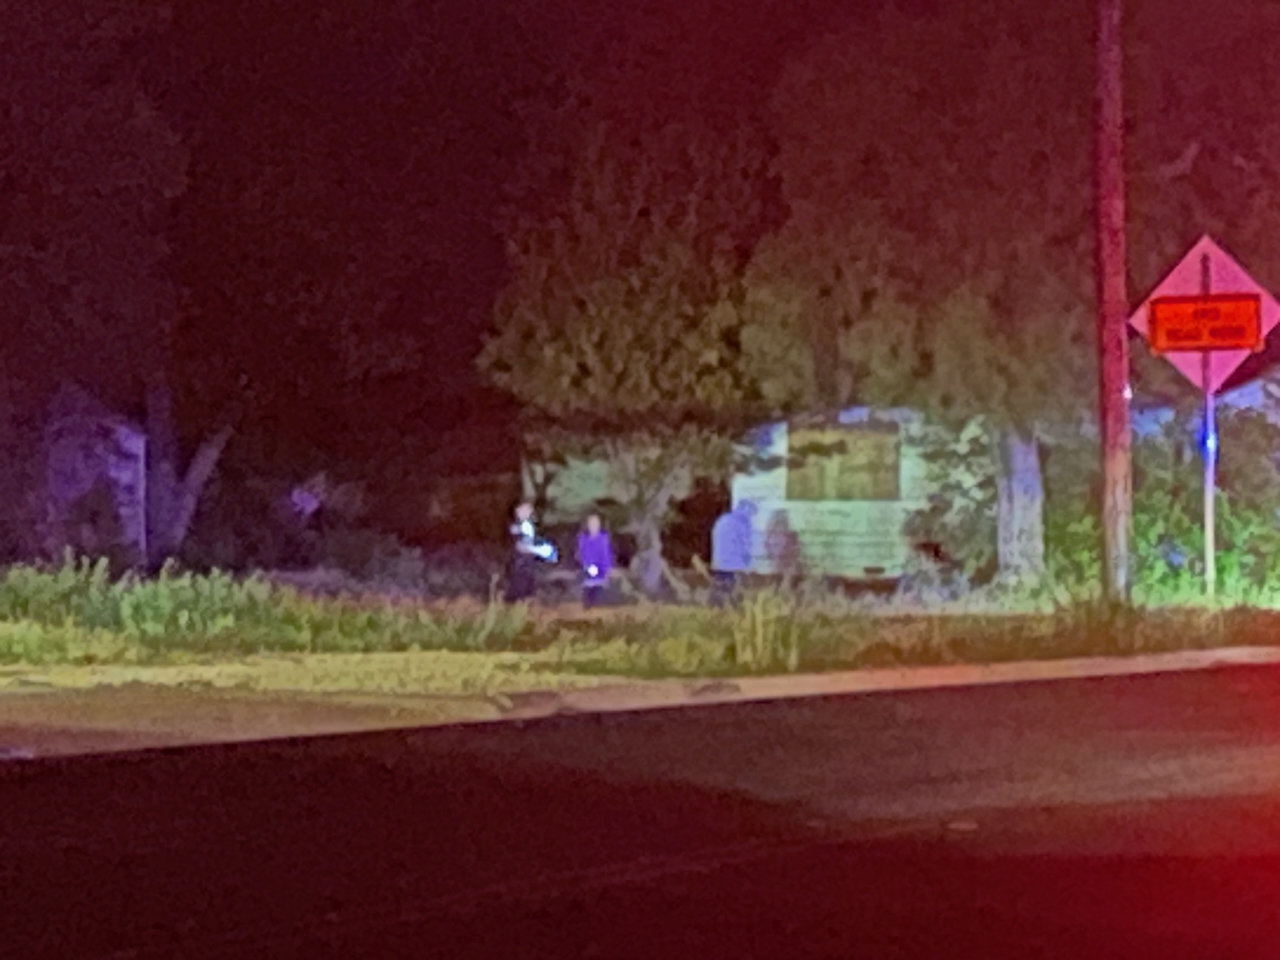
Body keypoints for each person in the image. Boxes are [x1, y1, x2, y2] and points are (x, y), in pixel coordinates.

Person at [506, 501, 556, 602]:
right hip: (520, 558)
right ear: (517, 511)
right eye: (523, 510)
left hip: (529, 557)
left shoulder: (530, 525)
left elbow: (533, 541)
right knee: (519, 578)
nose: (526, 513)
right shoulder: (516, 526)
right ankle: (515, 599)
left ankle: (527, 597)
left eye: (529, 510)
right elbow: (516, 538)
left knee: (529, 577)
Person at [710, 499, 756, 605]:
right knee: (735, 601)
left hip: (718, 566)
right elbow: (745, 548)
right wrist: (749, 567)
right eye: (751, 511)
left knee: (720, 598)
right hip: (735, 568)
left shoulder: (723, 519)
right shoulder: (742, 523)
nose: (751, 515)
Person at [575, 512, 614, 608]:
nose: (594, 525)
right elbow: (581, 554)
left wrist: (607, 569)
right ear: (587, 524)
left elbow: (606, 555)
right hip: (587, 567)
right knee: (588, 581)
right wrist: (587, 565)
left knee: (598, 584)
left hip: (600, 568)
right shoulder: (582, 538)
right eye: (591, 523)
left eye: (596, 523)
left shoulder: (603, 538)